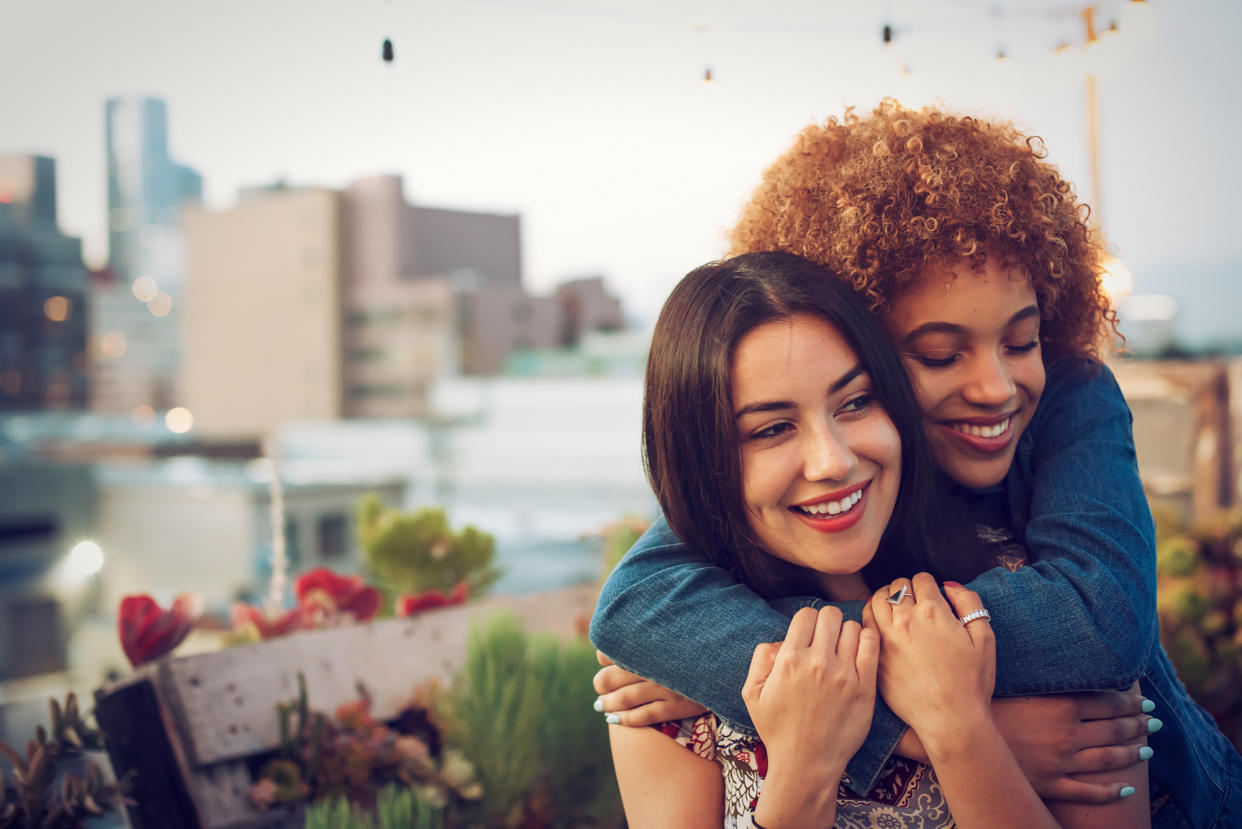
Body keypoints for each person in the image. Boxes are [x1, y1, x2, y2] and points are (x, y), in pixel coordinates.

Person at [592, 101, 1242, 828]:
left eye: (1022, 341)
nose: (996, 386)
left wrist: (765, 662)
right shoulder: (783, 489)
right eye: (939, 354)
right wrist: (901, 720)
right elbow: (638, 603)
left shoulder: (1068, 401)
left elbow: (1102, 619)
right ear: (858, 337)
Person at [614, 250, 1061, 828]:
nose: (832, 461)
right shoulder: (670, 681)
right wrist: (805, 767)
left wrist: (962, 732)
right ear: (700, 464)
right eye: (771, 429)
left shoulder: (1024, 584)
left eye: (855, 403)